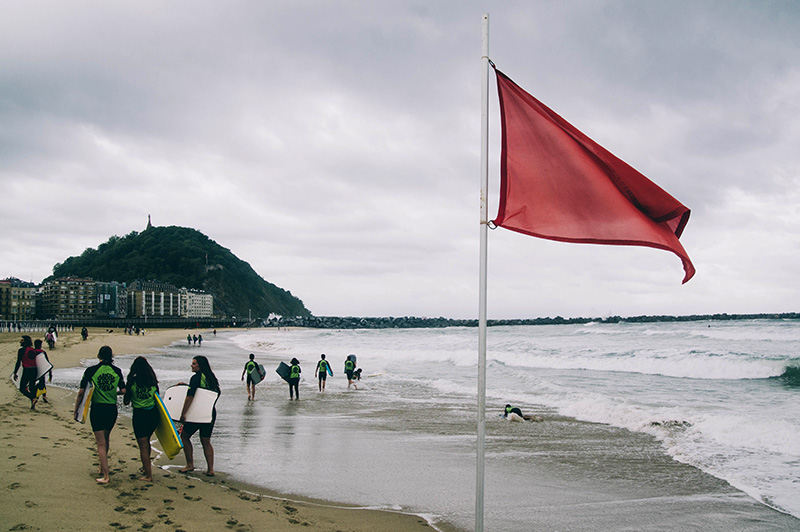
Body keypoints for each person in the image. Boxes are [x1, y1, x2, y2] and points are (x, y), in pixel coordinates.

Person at [73, 346, 125, 484]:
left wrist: (77, 409)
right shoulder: (117, 371)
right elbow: (123, 390)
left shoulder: (91, 371)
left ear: (98, 356)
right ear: (111, 356)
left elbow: (81, 392)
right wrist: (113, 393)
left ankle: (106, 475)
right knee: (106, 439)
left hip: (97, 409)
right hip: (111, 409)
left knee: (100, 443)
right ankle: (102, 467)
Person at [179, 355, 220, 476]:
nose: (191, 365)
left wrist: (183, 413)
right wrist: (187, 385)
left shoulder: (196, 378)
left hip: (197, 413)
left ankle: (189, 465)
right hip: (209, 413)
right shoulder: (211, 377)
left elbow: (190, 396)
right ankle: (210, 469)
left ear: (200, 365)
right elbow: (214, 393)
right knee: (206, 441)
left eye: (194, 363)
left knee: (184, 436)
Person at [123, 357, 160, 482]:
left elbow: (126, 402)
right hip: (153, 415)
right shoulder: (152, 382)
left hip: (140, 416)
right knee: (147, 441)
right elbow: (157, 399)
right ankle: (145, 468)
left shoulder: (132, 382)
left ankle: (148, 475)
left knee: (143, 446)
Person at [13, 335, 39, 409]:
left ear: (25, 342)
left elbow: (18, 362)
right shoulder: (34, 350)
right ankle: (33, 403)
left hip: (27, 370)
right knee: (32, 386)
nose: (20, 342)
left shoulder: (21, 350)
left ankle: (32, 398)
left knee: (22, 388)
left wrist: (15, 372)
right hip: (35, 369)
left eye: (22, 340)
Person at [33, 339, 52, 404]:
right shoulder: (42, 352)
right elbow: (47, 363)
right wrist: (50, 372)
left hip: (34, 370)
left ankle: (36, 396)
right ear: (40, 345)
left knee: (34, 383)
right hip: (41, 370)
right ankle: (43, 396)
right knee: (42, 383)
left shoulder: (32, 352)